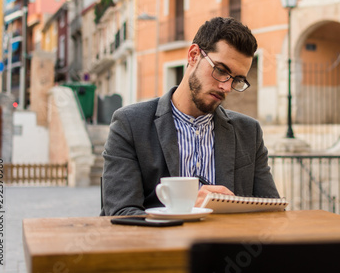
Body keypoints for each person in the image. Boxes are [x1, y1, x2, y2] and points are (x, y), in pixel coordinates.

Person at [101, 17, 279, 216]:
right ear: (194, 55)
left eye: (237, 80)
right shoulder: (130, 124)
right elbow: (119, 214)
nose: (226, 87)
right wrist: (186, 208)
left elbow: (271, 211)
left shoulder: (249, 132)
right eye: (221, 70)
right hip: (160, 247)